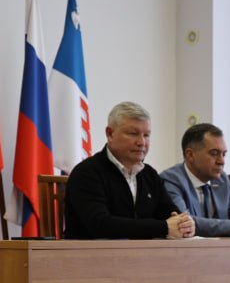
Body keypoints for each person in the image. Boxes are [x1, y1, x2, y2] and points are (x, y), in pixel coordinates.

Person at [63, 101, 195, 240]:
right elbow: (100, 225)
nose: (141, 142)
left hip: (143, 252)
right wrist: (164, 227)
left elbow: (171, 214)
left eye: (146, 135)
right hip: (91, 252)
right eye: (133, 134)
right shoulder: (87, 173)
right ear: (110, 134)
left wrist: (184, 224)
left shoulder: (149, 174)